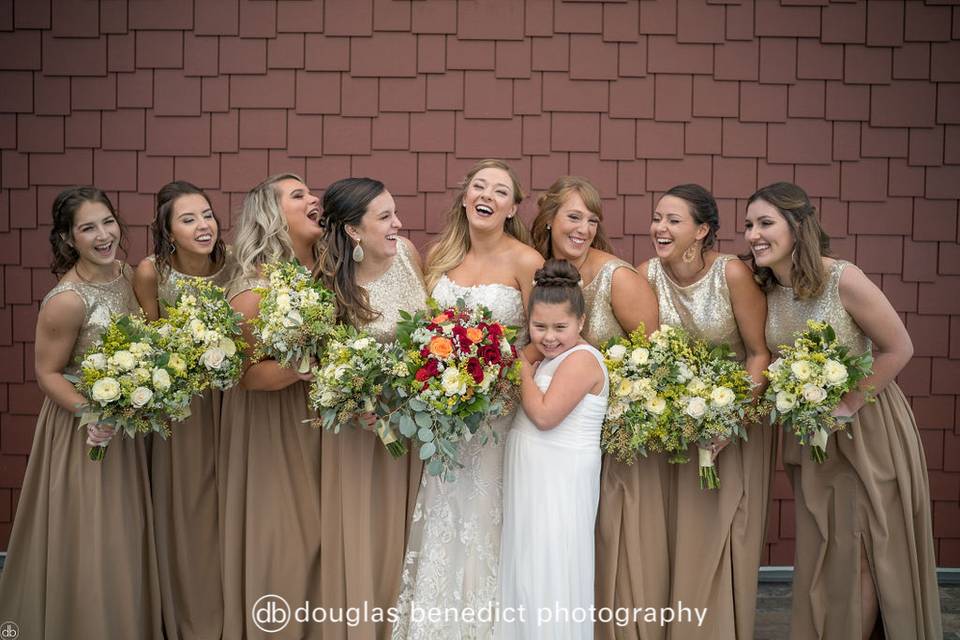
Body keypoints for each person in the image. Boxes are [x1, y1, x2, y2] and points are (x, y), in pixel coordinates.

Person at [744, 182, 942, 640]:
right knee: (828, 550)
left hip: (867, 425)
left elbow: (898, 347)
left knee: (865, 548)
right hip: (811, 436)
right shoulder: (769, 288)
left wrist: (846, 405)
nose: (754, 234)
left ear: (798, 227)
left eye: (765, 223)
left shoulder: (841, 279)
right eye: (750, 225)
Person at [0, 187, 163, 638]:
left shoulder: (128, 276)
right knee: (94, 533)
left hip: (125, 423)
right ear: (69, 239)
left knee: (122, 533)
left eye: (108, 222)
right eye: (88, 228)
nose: (103, 234)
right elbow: (47, 373)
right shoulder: (67, 300)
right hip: (83, 428)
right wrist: (93, 415)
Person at [392, 159, 543, 639]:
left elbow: (548, 333)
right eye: (479, 186)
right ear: (465, 198)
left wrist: (500, 372)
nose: (488, 195)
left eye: (500, 191)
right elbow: (421, 332)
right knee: (445, 511)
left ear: (512, 208)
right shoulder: (439, 256)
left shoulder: (527, 261)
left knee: (488, 517)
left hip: (499, 412)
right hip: (446, 418)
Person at [527, 176, 666, 639]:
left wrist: (618, 415)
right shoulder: (539, 273)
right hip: (550, 441)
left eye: (592, 219)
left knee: (602, 543)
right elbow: (532, 350)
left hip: (603, 432)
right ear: (548, 220)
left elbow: (655, 359)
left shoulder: (617, 278)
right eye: (573, 216)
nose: (584, 228)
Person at [641, 184, 771, 639]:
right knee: (681, 536)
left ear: (702, 231)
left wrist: (727, 419)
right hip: (676, 427)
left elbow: (759, 355)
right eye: (657, 217)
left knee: (720, 534)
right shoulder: (648, 275)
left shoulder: (732, 273)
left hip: (732, 424)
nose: (660, 227)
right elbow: (648, 355)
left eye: (673, 220)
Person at [312, 177, 428, 639]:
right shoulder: (327, 284)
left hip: (415, 425)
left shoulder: (409, 255)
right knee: (366, 535)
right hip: (362, 432)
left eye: (395, 213)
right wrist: (355, 403)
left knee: (410, 533)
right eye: (385, 217)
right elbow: (321, 364)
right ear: (354, 231)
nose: (398, 223)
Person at [218, 174, 325, 638]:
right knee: (288, 533)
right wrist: (297, 371)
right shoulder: (253, 290)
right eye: (298, 196)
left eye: (310, 192)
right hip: (276, 427)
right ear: (272, 216)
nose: (313, 198)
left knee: (326, 531)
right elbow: (241, 375)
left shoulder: (329, 269)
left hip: (326, 422)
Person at [133, 180, 234, 640]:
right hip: (183, 409)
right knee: (190, 507)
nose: (203, 225)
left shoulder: (234, 267)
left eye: (207, 215)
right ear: (168, 230)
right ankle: (193, 617)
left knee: (230, 502)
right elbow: (149, 344)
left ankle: (237, 607)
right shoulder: (153, 273)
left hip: (235, 399)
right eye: (189, 218)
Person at [500, 259, 609, 640]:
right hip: (534, 477)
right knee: (528, 566)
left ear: (581, 322)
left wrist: (523, 372)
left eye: (560, 327)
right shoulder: (550, 353)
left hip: (559, 481)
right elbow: (521, 358)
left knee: (551, 565)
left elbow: (545, 416)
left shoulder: (581, 359)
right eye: (539, 327)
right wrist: (524, 361)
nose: (548, 337)